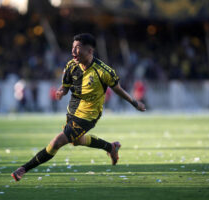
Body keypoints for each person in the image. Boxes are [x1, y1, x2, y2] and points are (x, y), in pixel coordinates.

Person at [11, 33, 146, 181]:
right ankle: (111, 147)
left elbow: (118, 89)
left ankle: (24, 168)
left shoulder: (103, 71)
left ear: (90, 51)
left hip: (89, 115)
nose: (73, 52)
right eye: (72, 48)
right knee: (77, 141)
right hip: (72, 111)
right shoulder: (71, 66)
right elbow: (66, 85)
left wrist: (135, 103)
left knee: (57, 142)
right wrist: (62, 91)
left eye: (77, 48)